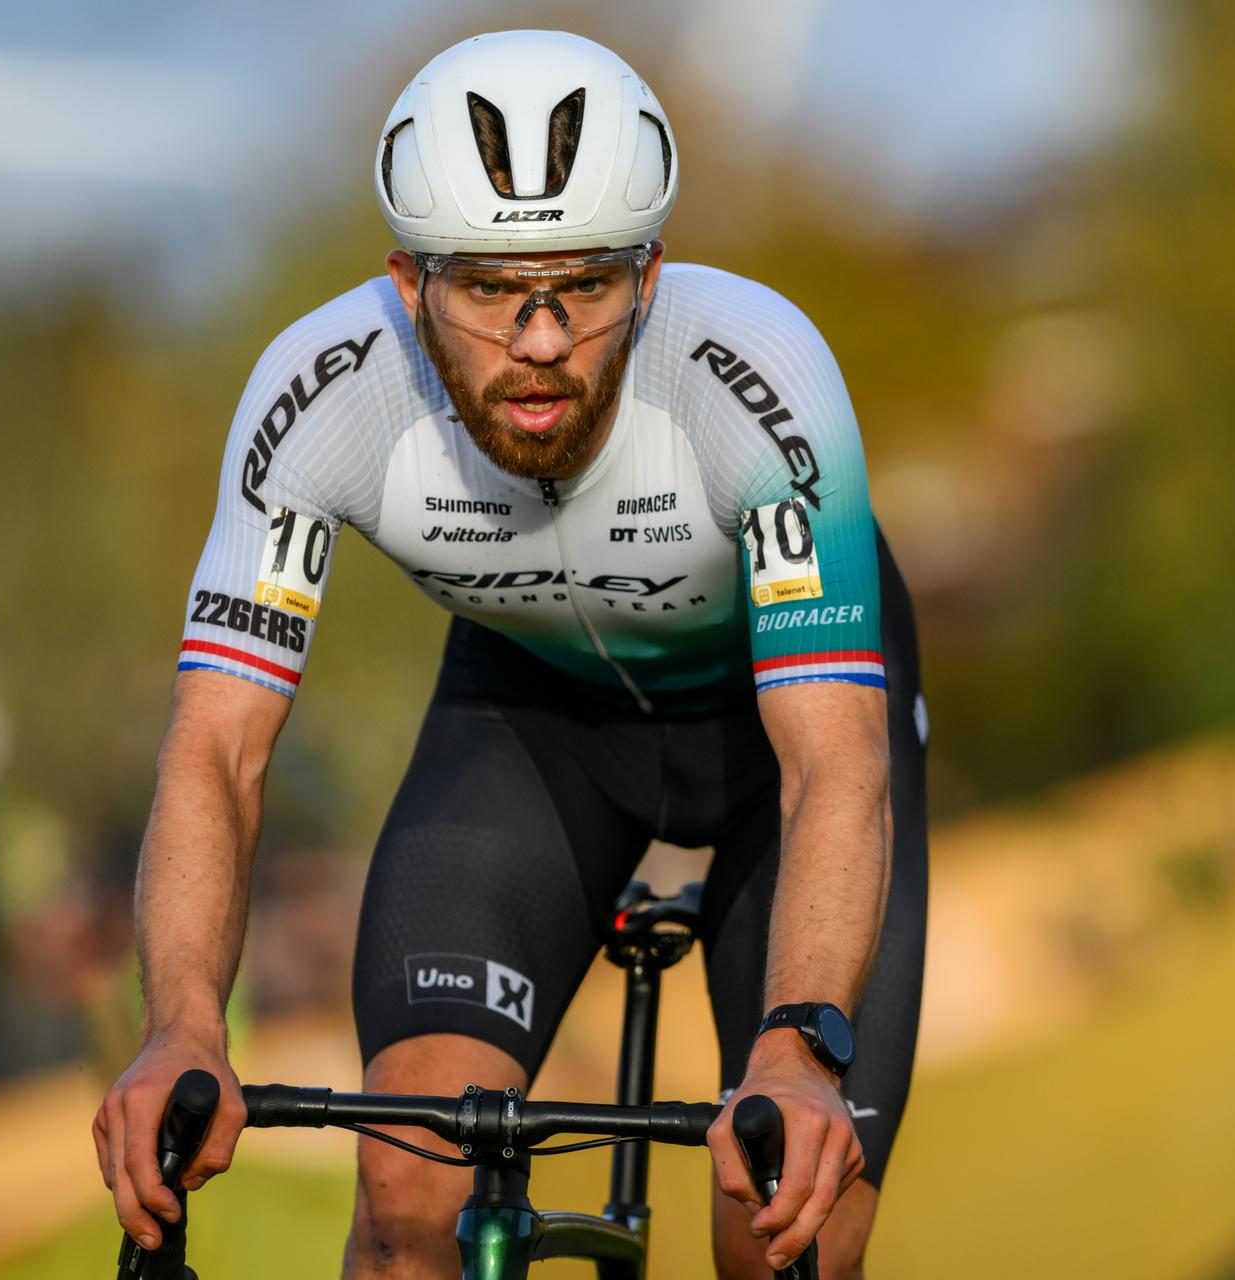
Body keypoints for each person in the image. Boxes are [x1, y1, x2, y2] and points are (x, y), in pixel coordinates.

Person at [91, 30, 927, 1279]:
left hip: (785, 742)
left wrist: (799, 1048)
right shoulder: (322, 396)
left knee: (784, 1215)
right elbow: (217, 747)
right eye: (488, 288)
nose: (538, 340)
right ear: (407, 281)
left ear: (649, 277)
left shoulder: (760, 375)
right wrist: (182, 1027)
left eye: (582, 286)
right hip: (533, 725)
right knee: (409, 1188)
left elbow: (834, 767)